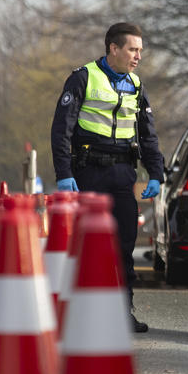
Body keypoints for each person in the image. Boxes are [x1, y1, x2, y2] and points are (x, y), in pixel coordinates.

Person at [50, 22, 165, 333]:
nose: (138, 56)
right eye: (132, 49)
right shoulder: (83, 78)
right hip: (89, 174)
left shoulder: (137, 86)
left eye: (140, 50)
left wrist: (156, 172)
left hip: (123, 176)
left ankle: (121, 310)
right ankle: (84, 312)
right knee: (88, 246)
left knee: (124, 246)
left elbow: (148, 136)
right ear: (114, 49)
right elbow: (62, 130)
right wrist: (64, 174)